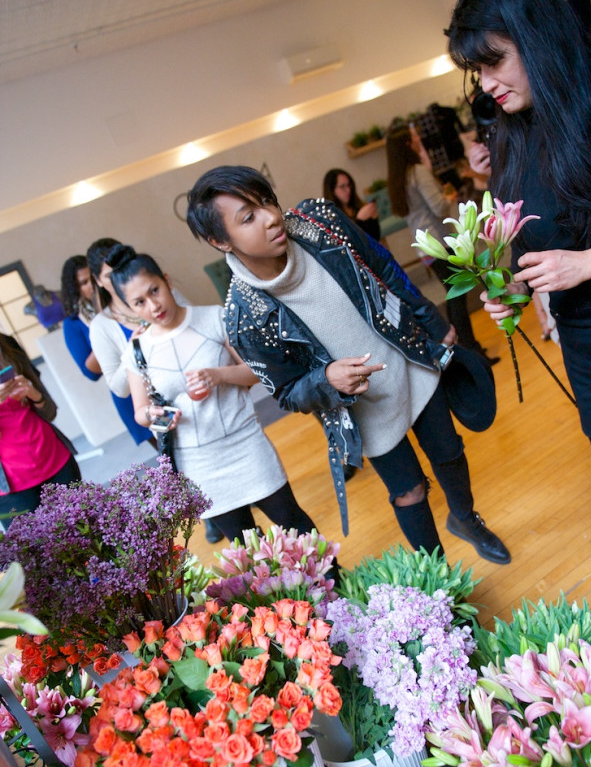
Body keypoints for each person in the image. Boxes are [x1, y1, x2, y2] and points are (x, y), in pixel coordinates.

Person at [446, 0, 591, 625]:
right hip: (590, 349)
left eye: (496, 61)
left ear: (537, 38)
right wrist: (506, 285)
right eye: (477, 71)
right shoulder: (511, 132)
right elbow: (525, 231)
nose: (489, 83)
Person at [184, 165, 510, 565]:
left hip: (406, 356)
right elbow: (287, 393)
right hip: (361, 409)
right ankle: (440, 582)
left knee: (449, 452)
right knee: (409, 492)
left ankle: (465, 518)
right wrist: (326, 379)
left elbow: (384, 264)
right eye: (248, 217)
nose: (271, 217)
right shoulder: (244, 317)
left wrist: (432, 320)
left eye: (266, 200)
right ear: (221, 240)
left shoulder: (318, 221)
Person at [107, 243, 318, 545]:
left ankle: (333, 584)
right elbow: (140, 411)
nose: (152, 306)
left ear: (166, 280)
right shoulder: (137, 350)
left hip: (245, 443)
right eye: (139, 302)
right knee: (244, 546)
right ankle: (286, 594)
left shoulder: (214, 318)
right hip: (198, 463)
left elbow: (257, 371)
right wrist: (151, 415)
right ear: (129, 309)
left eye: (154, 290)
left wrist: (218, 375)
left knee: (293, 523)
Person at [385, 124, 497, 364]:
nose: (418, 140)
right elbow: (437, 206)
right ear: (407, 144)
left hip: (423, 243)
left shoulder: (398, 178)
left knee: (455, 294)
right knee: (458, 294)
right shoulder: (417, 171)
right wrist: (451, 197)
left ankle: (468, 349)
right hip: (440, 241)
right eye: (414, 138)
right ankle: (469, 350)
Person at [0, 333, 80, 523]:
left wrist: (33, 393)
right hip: (12, 486)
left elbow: (50, 411)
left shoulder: (7, 345)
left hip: (56, 458)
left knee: (86, 531)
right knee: (35, 550)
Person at [87, 238, 155, 449]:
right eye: (109, 276)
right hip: (151, 407)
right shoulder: (101, 326)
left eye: (121, 269)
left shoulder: (159, 294)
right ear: (98, 281)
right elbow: (118, 388)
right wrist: (133, 349)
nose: (118, 279)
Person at [60, 255, 102, 380]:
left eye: (93, 278)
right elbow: (91, 374)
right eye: (84, 283)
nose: (92, 285)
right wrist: (105, 334)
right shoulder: (73, 323)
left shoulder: (122, 301)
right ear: (76, 289)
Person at [322, 169, 381, 242]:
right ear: (332, 190)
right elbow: (351, 244)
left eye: (349, 185)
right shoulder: (330, 218)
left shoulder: (358, 206)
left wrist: (374, 219)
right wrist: (360, 221)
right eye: (342, 186)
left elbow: (375, 238)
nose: (348, 190)